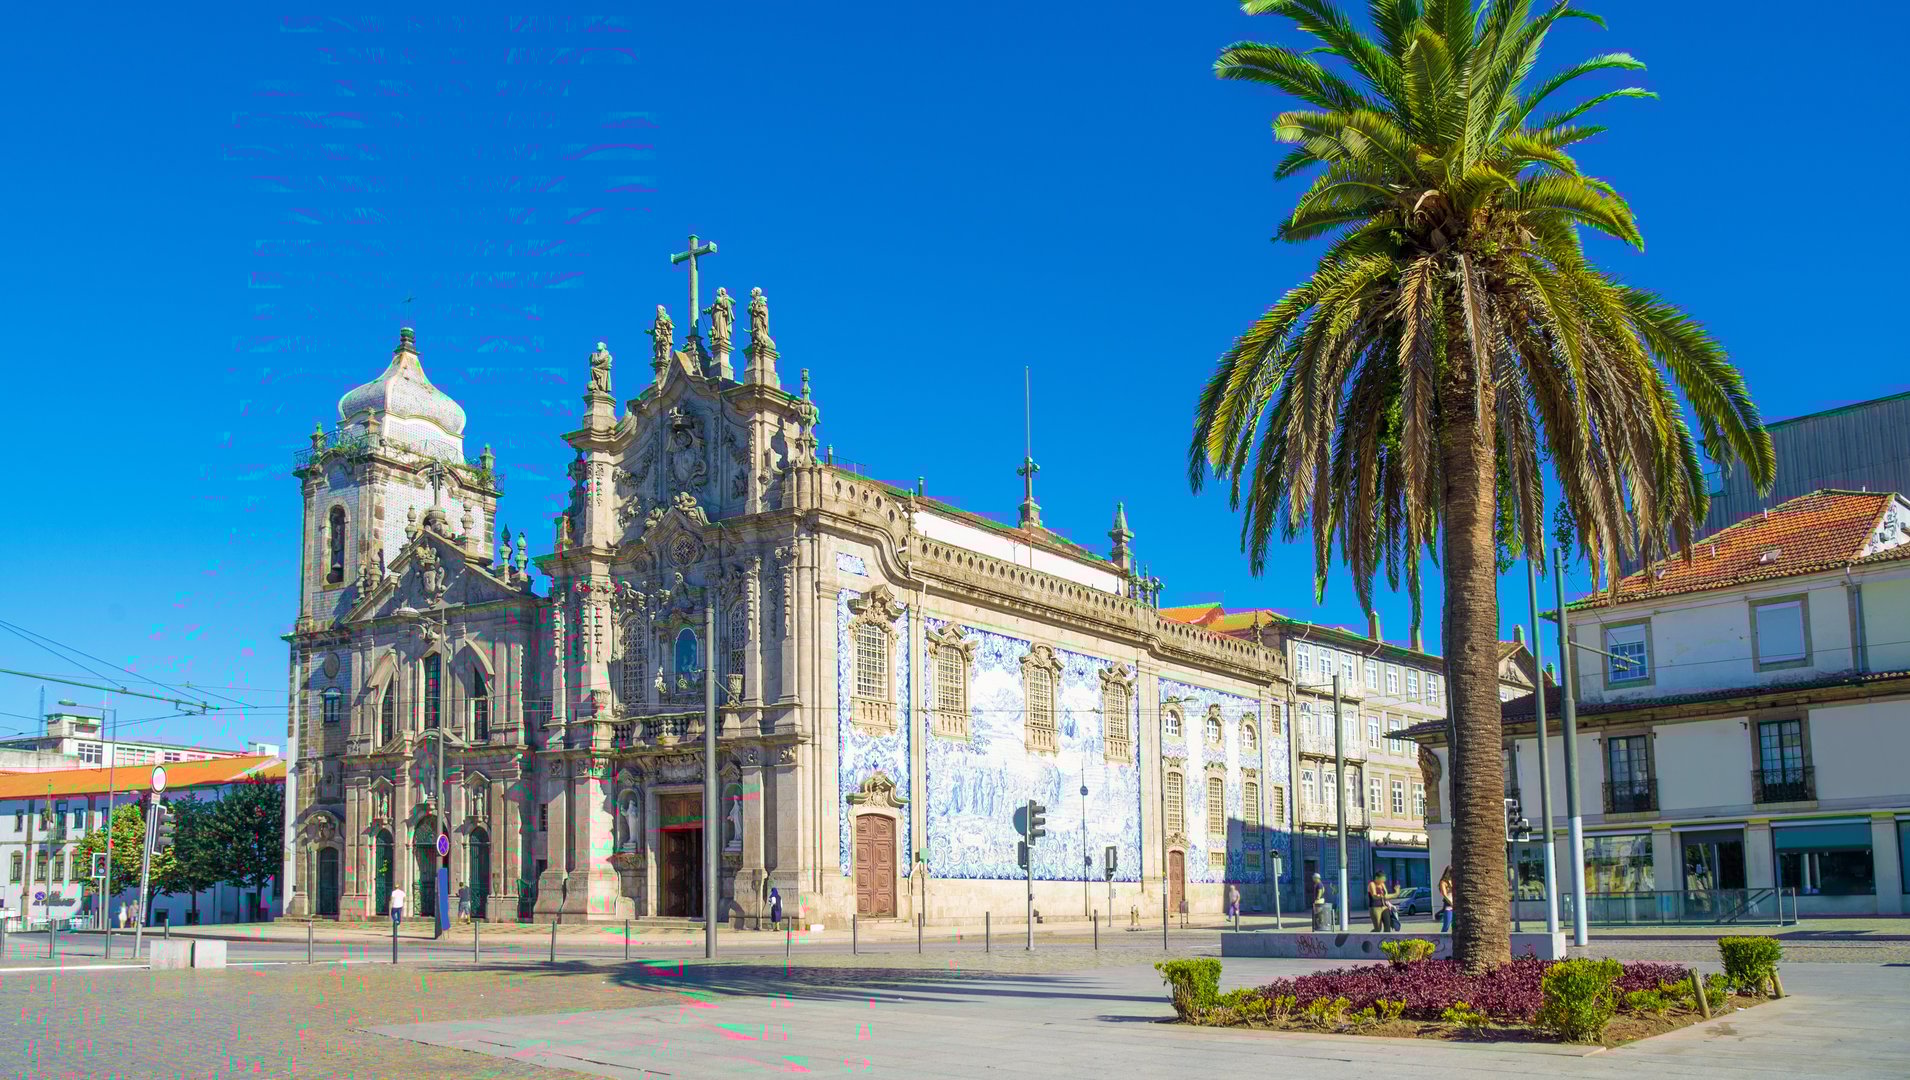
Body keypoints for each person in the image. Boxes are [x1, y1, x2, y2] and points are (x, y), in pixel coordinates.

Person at [1437, 866, 1455, 934]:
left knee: (1455, 926)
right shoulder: (1443, 882)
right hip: (1449, 906)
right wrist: (1451, 903)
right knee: (1446, 926)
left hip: (1455, 906)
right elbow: (1444, 894)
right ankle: (1442, 941)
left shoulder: (1453, 881)